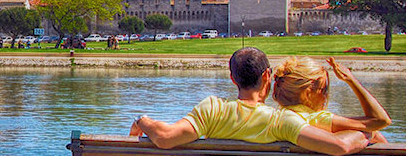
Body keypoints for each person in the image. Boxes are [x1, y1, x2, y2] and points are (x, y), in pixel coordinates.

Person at [129, 47, 368, 155]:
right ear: (267, 76)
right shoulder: (281, 121)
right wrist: (366, 136)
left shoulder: (212, 109)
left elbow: (166, 137)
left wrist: (142, 120)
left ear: (233, 79)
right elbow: (340, 147)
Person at [273, 56, 391, 143]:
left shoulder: (276, 118)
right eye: (323, 89)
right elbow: (381, 120)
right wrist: (351, 80)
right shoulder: (318, 120)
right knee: (373, 133)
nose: (326, 95)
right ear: (308, 94)